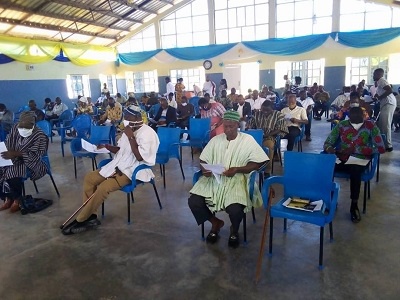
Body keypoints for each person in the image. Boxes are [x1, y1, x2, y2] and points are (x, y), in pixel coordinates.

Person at [61, 105, 160, 235]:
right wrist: (106, 147)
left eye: (128, 117)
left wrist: (131, 137)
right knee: (90, 179)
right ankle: (91, 216)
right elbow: (121, 149)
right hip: (118, 164)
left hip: (132, 170)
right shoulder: (128, 129)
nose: (125, 119)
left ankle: (81, 219)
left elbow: (140, 156)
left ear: (136, 117)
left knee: (103, 187)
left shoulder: (148, 133)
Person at [188, 110, 269, 248]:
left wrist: (238, 169)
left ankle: (234, 230)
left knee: (235, 209)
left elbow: (259, 162)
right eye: (225, 126)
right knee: (194, 201)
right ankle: (215, 222)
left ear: (238, 125)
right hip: (214, 179)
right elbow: (203, 158)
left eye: (231, 126)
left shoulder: (247, 140)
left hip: (237, 180)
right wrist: (205, 170)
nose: (228, 130)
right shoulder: (216, 140)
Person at [324, 107, 385, 223]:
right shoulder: (342, 125)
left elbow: (380, 147)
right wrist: (330, 148)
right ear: (349, 116)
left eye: (359, 116)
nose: (356, 119)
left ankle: (354, 205)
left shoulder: (370, 126)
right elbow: (328, 142)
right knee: (327, 167)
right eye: (353, 117)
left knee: (355, 171)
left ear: (364, 116)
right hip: (342, 157)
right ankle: (330, 200)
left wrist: (356, 149)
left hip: (360, 159)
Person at [0, 111, 48, 212]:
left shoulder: (40, 135)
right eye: (21, 127)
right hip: (12, 157)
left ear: (33, 125)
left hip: (30, 161)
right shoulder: (15, 128)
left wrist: (15, 154)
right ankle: (8, 198)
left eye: (27, 127)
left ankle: (17, 200)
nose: (23, 129)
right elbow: (8, 141)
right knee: (2, 169)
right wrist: (4, 150)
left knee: (12, 171)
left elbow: (38, 154)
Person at [247, 100, 288, 177]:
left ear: (272, 109)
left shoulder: (278, 115)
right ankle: (248, 168)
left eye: (267, 110)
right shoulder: (257, 114)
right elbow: (250, 124)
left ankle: (267, 170)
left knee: (268, 146)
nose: (265, 112)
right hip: (257, 136)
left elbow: (280, 128)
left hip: (270, 136)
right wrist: (248, 126)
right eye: (263, 110)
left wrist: (267, 134)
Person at [373, 68, 396, 152]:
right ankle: (383, 143)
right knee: (382, 124)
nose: (373, 76)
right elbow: (382, 93)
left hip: (388, 103)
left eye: (374, 74)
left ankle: (388, 146)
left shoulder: (381, 80)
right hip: (385, 104)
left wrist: (379, 97)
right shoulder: (379, 82)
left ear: (379, 74)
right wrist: (376, 97)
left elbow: (389, 90)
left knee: (386, 124)